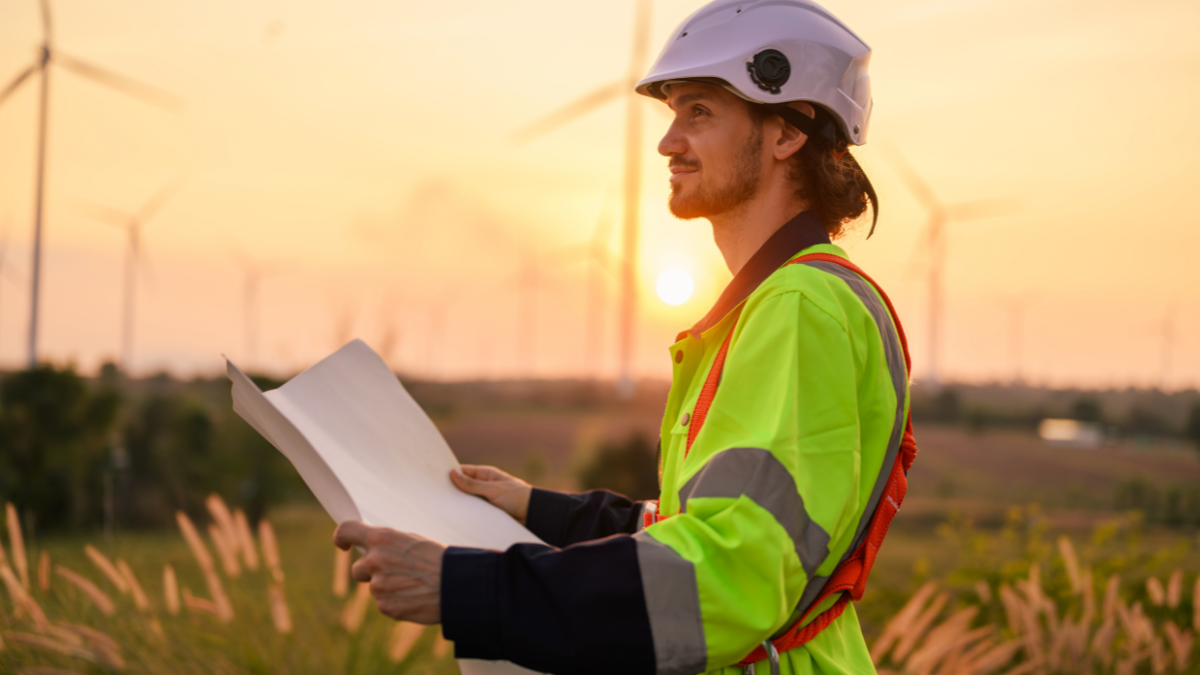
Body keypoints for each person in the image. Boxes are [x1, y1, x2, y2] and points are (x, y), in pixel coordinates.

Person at [333, 1, 916, 673]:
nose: (669, 142)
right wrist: (537, 507)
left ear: (787, 133)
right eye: (674, 113)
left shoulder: (798, 306)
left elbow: (732, 573)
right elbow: (703, 526)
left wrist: (467, 586)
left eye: (699, 112)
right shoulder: (792, 300)